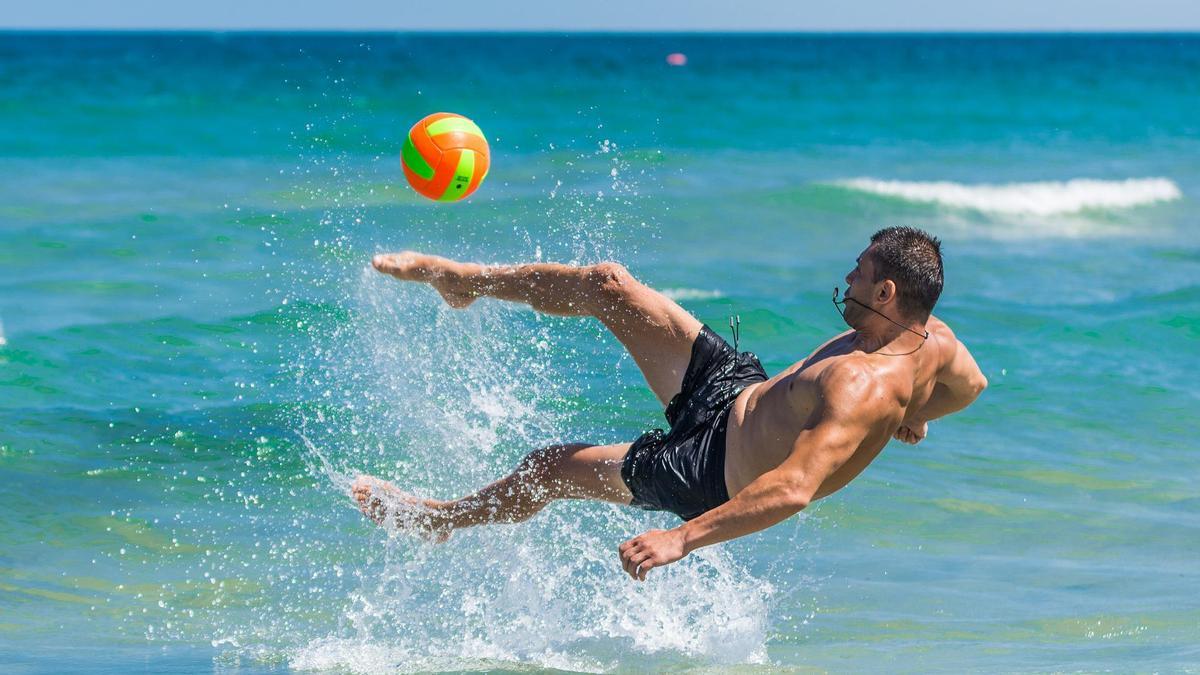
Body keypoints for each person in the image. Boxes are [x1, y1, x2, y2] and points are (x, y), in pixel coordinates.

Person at [352, 226, 987, 581]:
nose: (847, 279)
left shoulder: (862, 387)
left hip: (709, 471)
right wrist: (918, 413)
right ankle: (466, 282)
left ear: (888, 288)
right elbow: (973, 387)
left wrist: (681, 539)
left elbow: (793, 488)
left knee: (548, 469)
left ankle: (439, 520)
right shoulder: (936, 345)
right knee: (609, 286)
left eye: (858, 271)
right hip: (738, 389)